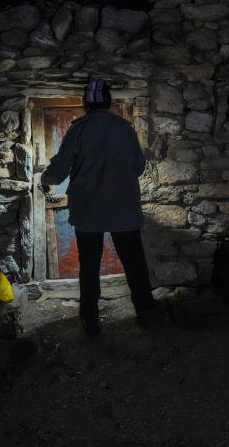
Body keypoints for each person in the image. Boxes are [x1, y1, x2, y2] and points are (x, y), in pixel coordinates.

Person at [39, 79, 163, 336]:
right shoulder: (124, 129)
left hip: (89, 209)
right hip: (123, 208)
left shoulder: (78, 130)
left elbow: (60, 171)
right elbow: (139, 167)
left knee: (90, 265)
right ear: (107, 102)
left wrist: (45, 179)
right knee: (134, 263)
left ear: (86, 104)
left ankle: (91, 320)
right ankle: (147, 314)